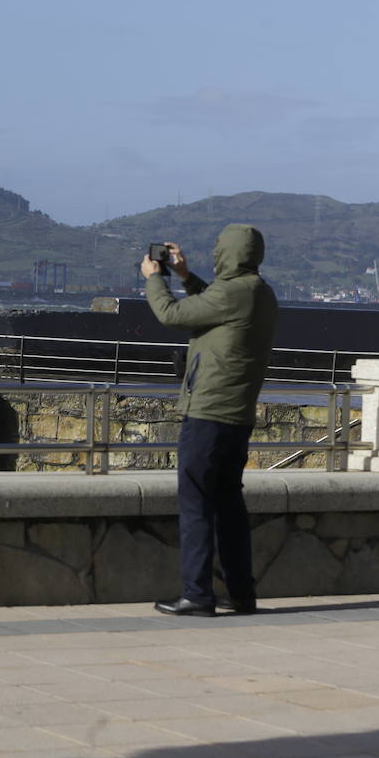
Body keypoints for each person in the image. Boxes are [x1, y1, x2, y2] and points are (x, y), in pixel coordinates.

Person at [140, 224, 278, 616]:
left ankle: (197, 594)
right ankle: (240, 593)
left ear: (225, 253)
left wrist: (156, 279)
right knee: (229, 505)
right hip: (237, 416)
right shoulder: (259, 292)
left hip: (208, 414)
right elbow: (214, 306)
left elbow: (171, 314)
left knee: (196, 503)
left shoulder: (233, 292)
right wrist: (185, 276)